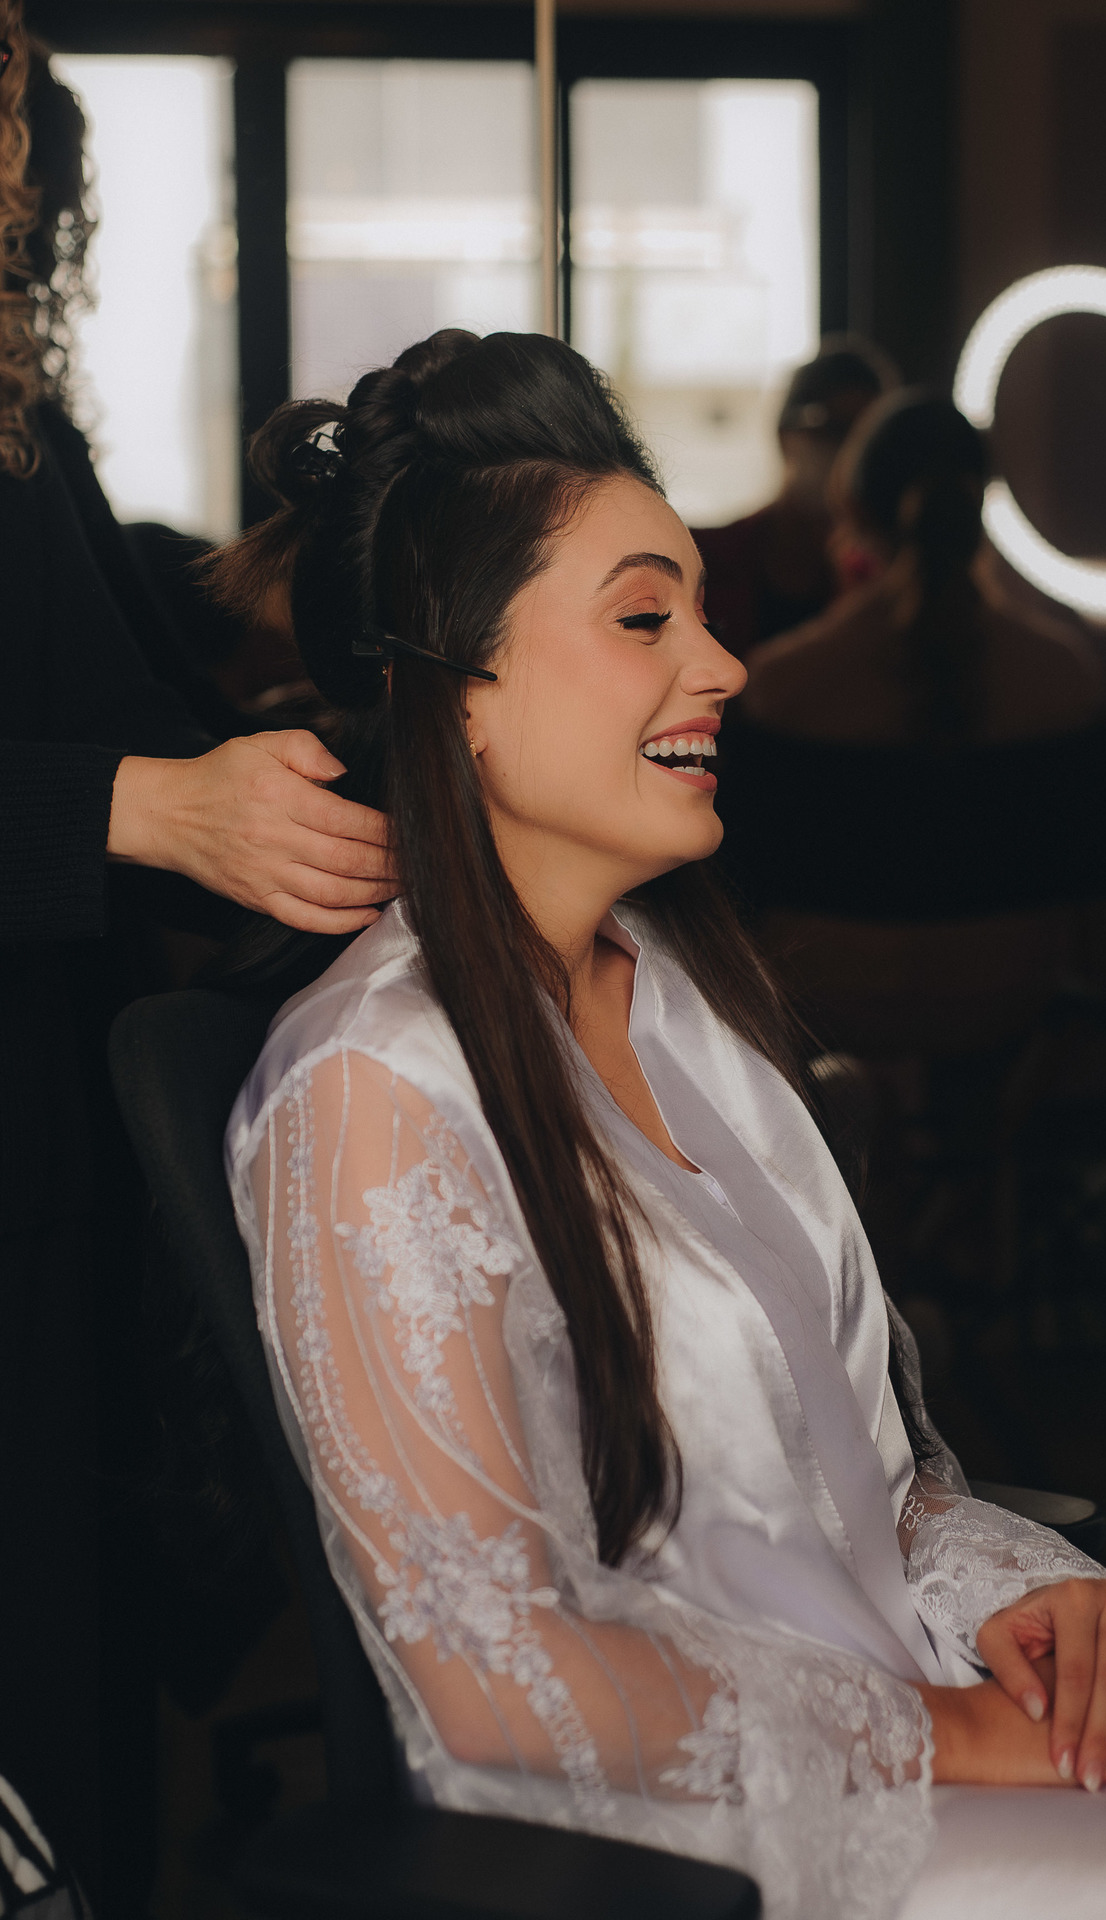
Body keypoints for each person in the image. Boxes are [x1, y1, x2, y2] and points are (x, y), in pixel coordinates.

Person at [221, 329, 1106, 1920]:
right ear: (459, 691)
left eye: (698, 610)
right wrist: (952, 1733)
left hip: (903, 1708)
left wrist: (1042, 1606)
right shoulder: (372, 1090)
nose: (725, 664)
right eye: (643, 618)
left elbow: (866, 1492)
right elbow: (491, 1670)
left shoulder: (690, 1009)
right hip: (668, 1834)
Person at [0, 16, 393, 1909]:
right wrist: (140, 812)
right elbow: (128, 777)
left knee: (66, 1714)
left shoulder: (22, 426)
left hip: (49, 1142)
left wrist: (346, 749)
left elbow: (133, 704)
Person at [720, 391, 1106, 1054]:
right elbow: (1096, 898)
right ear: (977, 506)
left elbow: (743, 894)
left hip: (828, 998)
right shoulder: (1064, 677)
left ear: (854, 509)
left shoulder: (777, 685)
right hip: (1006, 992)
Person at [692, 335, 898, 661]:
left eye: (868, 440)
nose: (849, 453)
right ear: (785, 434)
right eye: (835, 429)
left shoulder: (885, 583)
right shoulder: (702, 563)